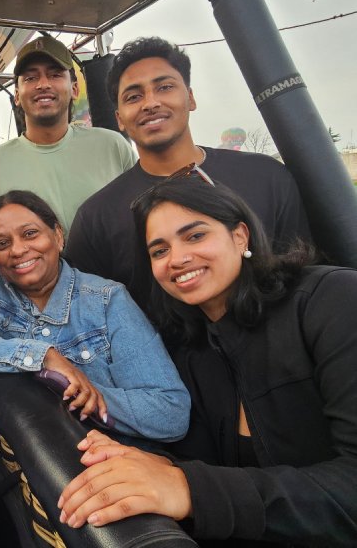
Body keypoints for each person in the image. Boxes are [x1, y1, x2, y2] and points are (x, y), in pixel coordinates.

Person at [58, 175, 357, 546]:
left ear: (240, 236)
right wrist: (151, 464)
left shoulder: (332, 301)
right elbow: (202, 465)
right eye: (159, 251)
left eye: (196, 236)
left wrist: (189, 488)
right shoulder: (188, 349)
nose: (178, 259)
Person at [66, 37, 311, 310]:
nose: (150, 103)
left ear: (190, 98)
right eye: (134, 97)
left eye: (164, 87)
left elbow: (302, 279)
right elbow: (88, 313)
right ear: (119, 118)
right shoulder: (96, 218)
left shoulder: (266, 177)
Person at [0, 190, 189, 441]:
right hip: (25, 459)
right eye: (2, 244)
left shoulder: (107, 300)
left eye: (30, 233)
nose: (18, 249)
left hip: (108, 457)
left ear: (58, 236)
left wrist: (85, 394)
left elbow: (170, 413)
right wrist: (44, 356)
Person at [0, 35, 136, 236]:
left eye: (55, 75)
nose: (43, 84)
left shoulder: (113, 146)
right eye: (31, 78)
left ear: (74, 89)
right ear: (17, 95)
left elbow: (145, 218)